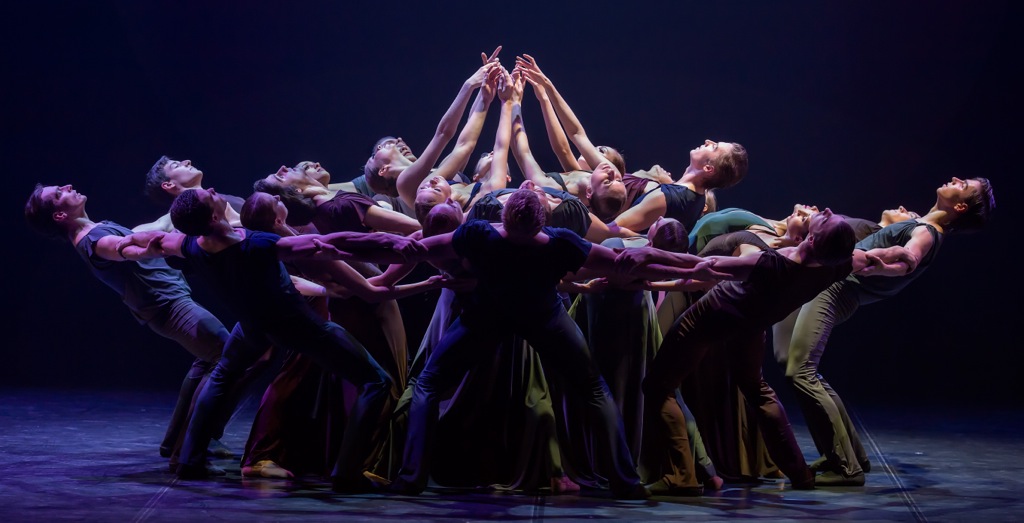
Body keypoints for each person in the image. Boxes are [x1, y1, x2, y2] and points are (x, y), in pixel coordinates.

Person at [330, 187, 724, 499]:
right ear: (541, 221)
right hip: (543, 318)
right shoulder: (559, 241)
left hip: (487, 317)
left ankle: (411, 478)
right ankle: (626, 482)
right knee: (593, 389)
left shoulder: (478, 234)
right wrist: (698, 264)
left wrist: (332, 246)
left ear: (504, 217)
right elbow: (624, 261)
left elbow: (415, 249)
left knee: (429, 385)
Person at [114, 187, 423, 489]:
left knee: (221, 377)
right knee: (375, 382)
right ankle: (347, 473)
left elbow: (158, 240)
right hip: (297, 326)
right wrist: (392, 240)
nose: (213, 190)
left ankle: (189, 461)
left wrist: (127, 244)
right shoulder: (257, 244)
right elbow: (328, 242)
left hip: (251, 326)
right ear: (213, 215)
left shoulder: (192, 245)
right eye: (210, 196)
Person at [614, 209, 860, 495]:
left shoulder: (771, 265)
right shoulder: (835, 266)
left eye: (827, 219)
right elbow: (876, 259)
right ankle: (800, 474)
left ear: (813, 239)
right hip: (752, 326)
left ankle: (681, 476)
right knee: (757, 391)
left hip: (712, 316)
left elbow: (708, 266)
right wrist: (898, 254)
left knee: (657, 385)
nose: (826, 211)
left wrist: (650, 255)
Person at [775, 176, 995, 486]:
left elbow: (908, 260)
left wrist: (879, 265)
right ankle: (850, 454)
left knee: (800, 371)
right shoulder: (922, 223)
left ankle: (846, 468)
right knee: (799, 367)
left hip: (839, 288)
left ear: (960, 207)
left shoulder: (927, 232)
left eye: (963, 185)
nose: (956, 180)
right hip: (837, 286)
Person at [23, 183, 234, 462]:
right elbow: (120, 248)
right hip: (169, 306)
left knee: (208, 360)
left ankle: (176, 441)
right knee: (227, 354)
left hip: (168, 302)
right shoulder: (92, 240)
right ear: (59, 216)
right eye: (59, 193)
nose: (68, 187)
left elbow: (140, 235)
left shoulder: (97, 228)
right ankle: (194, 443)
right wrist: (153, 249)